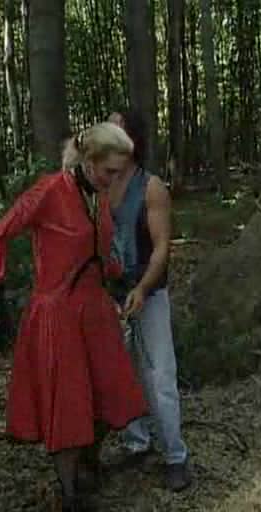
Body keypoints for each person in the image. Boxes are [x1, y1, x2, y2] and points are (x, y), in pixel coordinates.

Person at [0, 122, 147, 511]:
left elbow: (101, 251)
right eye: (109, 170)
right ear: (89, 161)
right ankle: (70, 494)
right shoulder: (49, 190)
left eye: (120, 172)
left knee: (110, 395)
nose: (115, 179)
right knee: (67, 403)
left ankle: (89, 466)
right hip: (58, 312)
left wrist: (123, 279)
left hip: (95, 309)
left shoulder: (97, 196)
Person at [107, 109, 192, 492]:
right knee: (122, 374)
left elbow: (161, 248)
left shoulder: (151, 187)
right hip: (111, 295)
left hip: (149, 292)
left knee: (159, 375)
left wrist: (141, 289)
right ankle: (137, 442)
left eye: (117, 130)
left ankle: (175, 455)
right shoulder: (99, 185)